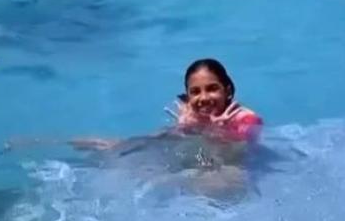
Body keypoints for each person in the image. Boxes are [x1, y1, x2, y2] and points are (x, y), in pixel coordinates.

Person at [74, 58, 262, 152]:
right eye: (195, 92)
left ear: (227, 90)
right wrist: (184, 128)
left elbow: (238, 156)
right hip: (197, 158)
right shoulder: (191, 115)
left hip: (229, 168)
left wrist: (218, 131)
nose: (203, 98)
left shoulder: (246, 119)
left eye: (212, 88)